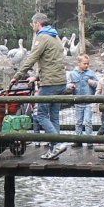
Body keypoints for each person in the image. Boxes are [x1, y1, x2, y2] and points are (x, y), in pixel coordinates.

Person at [9, 12, 68, 156]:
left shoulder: (42, 37)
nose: (32, 27)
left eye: (32, 24)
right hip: (61, 81)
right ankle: (54, 149)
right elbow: (51, 62)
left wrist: (17, 76)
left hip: (49, 84)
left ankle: (58, 144)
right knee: (54, 116)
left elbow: (31, 58)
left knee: (41, 115)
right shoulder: (56, 37)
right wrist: (36, 77)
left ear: (37, 23)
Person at [66, 53, 97, 147]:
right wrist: (70, 86)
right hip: (78, 102)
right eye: (84, 63)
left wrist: (92, 83)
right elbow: (67, 85)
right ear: (78, 63)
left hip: (89, 102)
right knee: (78, 122)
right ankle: (78, 140)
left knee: (88, 122)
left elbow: (98, 84)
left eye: (88, 63)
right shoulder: (72, 74)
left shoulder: (91, 73)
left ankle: (89, 142)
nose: (86, 65)